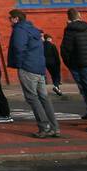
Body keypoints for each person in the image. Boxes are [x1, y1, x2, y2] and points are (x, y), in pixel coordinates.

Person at [7, 9, 59, 138]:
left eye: (10, 18)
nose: (10, 21)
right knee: (44, 98)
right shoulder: (33, 29)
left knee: (32, 97)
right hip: (39, 67)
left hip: (27, 67)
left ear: (16, 19)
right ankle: (54, 127)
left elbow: (19, 48)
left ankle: (44, 127)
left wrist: (19, 64)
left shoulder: (19, 30)